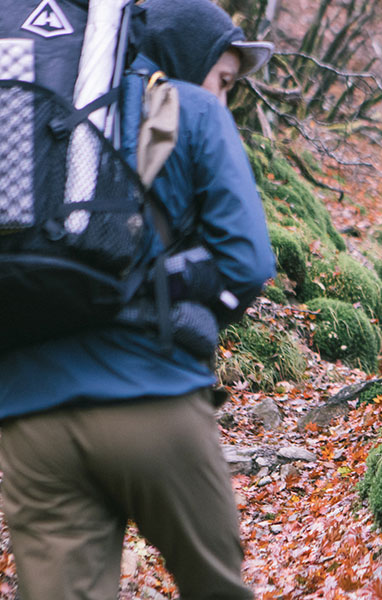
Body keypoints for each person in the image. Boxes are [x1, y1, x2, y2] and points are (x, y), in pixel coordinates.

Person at [0, 1, 276, 598]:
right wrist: (162, 291)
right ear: (189, 59)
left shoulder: (21, 114)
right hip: (153, 399)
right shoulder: (193, 110)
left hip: (27, 417)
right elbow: (248, 262)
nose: (223, 97)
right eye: (224, 80)